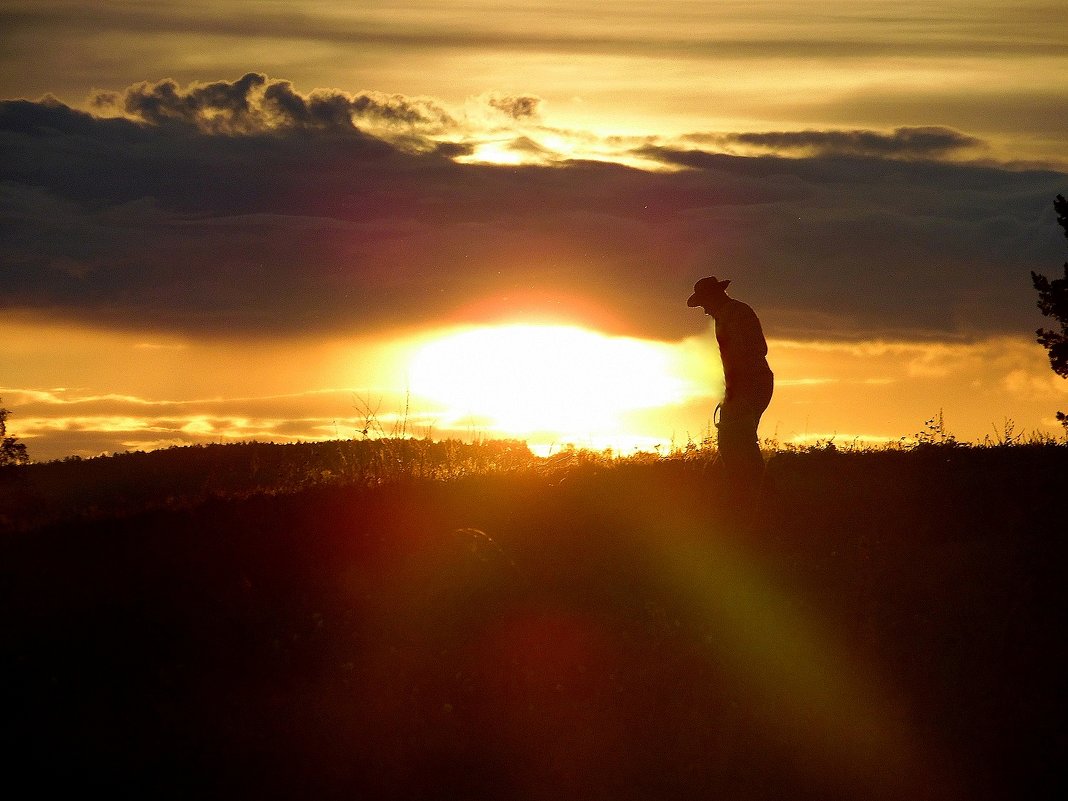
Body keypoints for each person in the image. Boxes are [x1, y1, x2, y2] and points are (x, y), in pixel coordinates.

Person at [687, 276, 774, 492]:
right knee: (739, 439)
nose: (705, 310)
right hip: (752, 383)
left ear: (713, 297)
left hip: (748, 384)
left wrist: (733, 391)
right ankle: (752, 489)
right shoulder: (733, 312)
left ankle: (749, 490)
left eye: (704, 303)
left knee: (734, 440)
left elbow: (739, 354)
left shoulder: (731, 315)